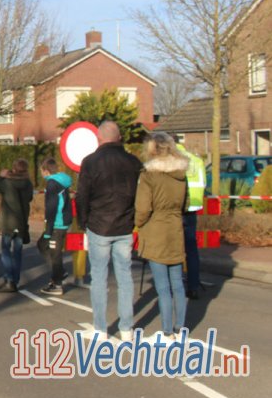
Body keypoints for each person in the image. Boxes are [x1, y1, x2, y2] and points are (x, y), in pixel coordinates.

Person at [76, 121, 142, 340]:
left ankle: (100, 329)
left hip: (98, 226)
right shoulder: (133, 162)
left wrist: (83, 222)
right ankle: (126, 329)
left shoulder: (90, 162)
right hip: (125, 225)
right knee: (125, 277)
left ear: (99, 139)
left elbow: (83, 195)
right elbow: (140, 195)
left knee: (99, 278)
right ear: (120, 138)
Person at [136, 132, 189, 342]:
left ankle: (167, 333)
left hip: (155, 230)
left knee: (163, 286)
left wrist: (138, 224)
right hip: (175, 229)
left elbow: (142, 208)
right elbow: (185, 204)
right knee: (177, 284)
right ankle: (180, 329)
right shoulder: (181, 174)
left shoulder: (148, 175)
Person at [0, 158, 33, 293]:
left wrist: (1, 177)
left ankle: (8, 280)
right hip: (21, 222)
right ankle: (15, 280)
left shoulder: (7, 183)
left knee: (6, 251)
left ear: (13, 168)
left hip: (8, 222)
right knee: (18, 252)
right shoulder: (28, 183)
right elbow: (30, 198)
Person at [38, 157, 73, 296]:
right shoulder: (61, 181)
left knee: (54, 252)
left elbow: (52, 208)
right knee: (42, 245)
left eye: (41, 171)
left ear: (45, 171)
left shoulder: (52, 184)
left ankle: (57, 282)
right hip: (62, 221)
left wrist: (48, 230)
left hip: (57, 223)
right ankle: (58, 273)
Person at [176, 139, 206, 299]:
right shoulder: (196, 160)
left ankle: (177, 286)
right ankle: (193, 285)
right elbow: (204, 184)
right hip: (193, 209)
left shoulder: (170, 161)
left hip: (175, 210)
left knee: (174, 250)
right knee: (191, 249)